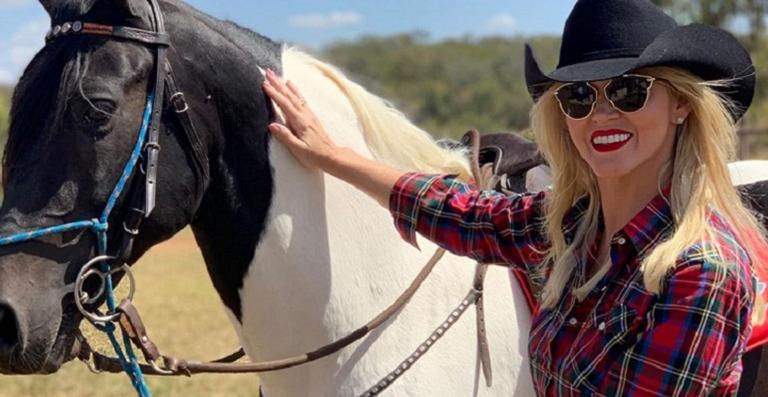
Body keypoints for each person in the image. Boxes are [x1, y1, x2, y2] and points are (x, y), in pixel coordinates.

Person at [262, 0, 767, 395]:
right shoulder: (575, 226)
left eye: (629, 91)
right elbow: (464, 214)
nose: (602, 113)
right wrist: (333, 156)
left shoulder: (700, 272)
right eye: (579, 96)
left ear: (680, 103)